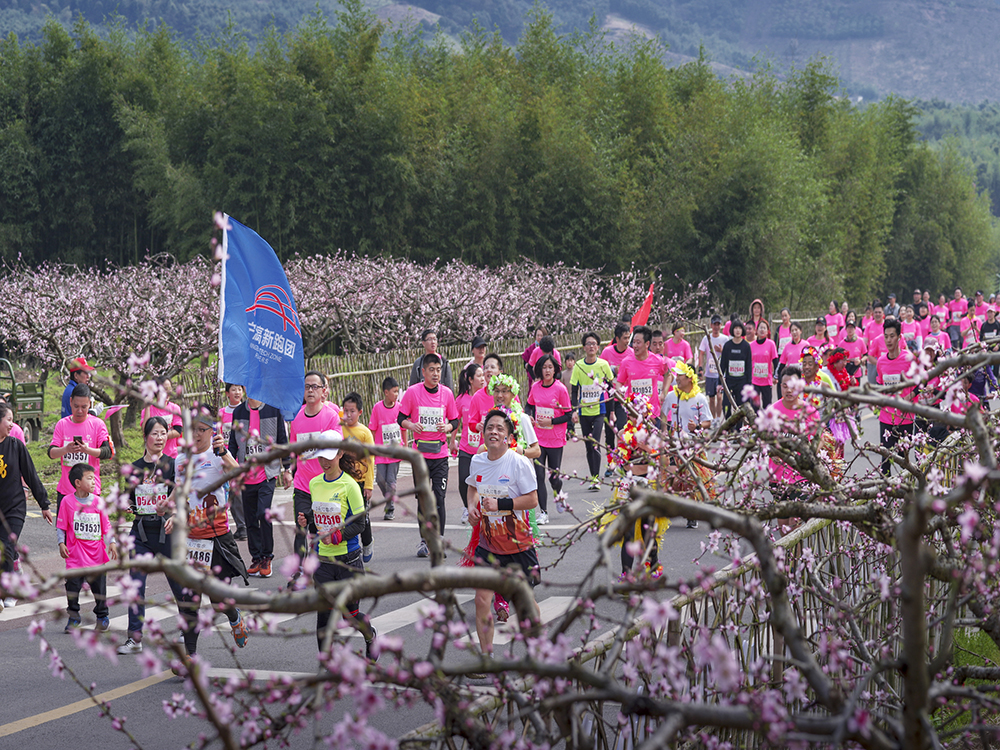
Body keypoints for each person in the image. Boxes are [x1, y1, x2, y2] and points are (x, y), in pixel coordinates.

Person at [170, 407, 249, 664]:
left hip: (216, 538)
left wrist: (224, 452)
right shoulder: (180, 460)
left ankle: (234, 616)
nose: (196, 435)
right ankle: (190, 656)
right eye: (191, 430)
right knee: (189, 599)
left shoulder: (217, 456)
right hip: (192, 540)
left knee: (217, 600)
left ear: (211, 431)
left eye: (201, 430)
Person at [464, 409, 541, 656]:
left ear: (508, 437)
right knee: (482, 600)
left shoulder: (518, 463)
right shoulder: (478, 461)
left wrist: (502, 505)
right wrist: (471, 507)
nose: (494, 432)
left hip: (518, 545)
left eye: (500, 428)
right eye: (490, 427)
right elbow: (472, 488)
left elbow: (532, 500)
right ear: (484, 433)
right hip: (488, 545)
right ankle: (487, 658)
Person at [300, 429, 378, 662]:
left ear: (341, 453)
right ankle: (325, 662)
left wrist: (335, 537)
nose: (325, 461)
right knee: (323, 615)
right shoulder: (315, 484)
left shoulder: (350, 485)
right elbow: (320, 524)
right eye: (321, 456)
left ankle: (370, 635)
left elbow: (361, 524)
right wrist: (308, 522)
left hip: (348, 561)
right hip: (324, 562)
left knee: (348, 615)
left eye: (330, 456)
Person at [118, 417, 185, 655]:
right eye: (155, 433)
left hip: (167, 531)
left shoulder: (174, 465)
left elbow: (182, 496)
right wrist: (126, 507)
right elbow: (127, 500)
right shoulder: (134, 468)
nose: (160, 438)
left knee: (179, 583)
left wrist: (173, 513)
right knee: (135, 583)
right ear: (145, 437)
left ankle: (187, 629)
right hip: (142, 532)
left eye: (163, 433)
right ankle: (134, 638)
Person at [398, 353, 460, 558]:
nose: (435, 374)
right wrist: (411, 425)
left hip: (440, 454)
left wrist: (448, 427)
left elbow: (455, 421)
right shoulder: (412, 393)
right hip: (420, 457)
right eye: (431, 369)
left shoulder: (447, 394)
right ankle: (424, 541)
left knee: (439, 498)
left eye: (438, 370)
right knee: (424, 500)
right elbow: (401, 418)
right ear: (422, 372)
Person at [228, 397, 290, 579]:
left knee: (263, 513)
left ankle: (267, 557)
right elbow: (233, 441)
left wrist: (287, 469)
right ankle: (256, 557)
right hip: (245, 474)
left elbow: (282, 440)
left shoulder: (273, 409)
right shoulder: (239, 412)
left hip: (267, 473)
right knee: (250, 518)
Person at [286, 371, 342, 572]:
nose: (310, 390)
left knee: (320, 530)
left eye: (314, 387)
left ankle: (324, 569)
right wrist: (288, 471)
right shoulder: (297, 416)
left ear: (323, 391)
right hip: (303, 485)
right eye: (307, 387)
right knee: (301, 527)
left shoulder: (331, 417)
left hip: (325, 485)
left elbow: (337, 448)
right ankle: (298, 572)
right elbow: (294, 449)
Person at [0, 402, 52, 613]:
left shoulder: (15, 445)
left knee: (6, 546)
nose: (12, 424)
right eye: (9, 420)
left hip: (14, 507)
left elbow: (31, 475)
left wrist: (44, 503)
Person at [58, 463, 116, 633]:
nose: (94, 481)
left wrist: (111, 542)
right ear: (77, 482)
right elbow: (61, 526)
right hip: (75, 556)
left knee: (99, 589)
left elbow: (106, 527)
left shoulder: (98, 502)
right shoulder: (67, 502)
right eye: (89, 478)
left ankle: (102, 616)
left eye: (94, 478)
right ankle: (74, 617)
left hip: (96, 557)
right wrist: (61, 543)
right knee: (72, 588)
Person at [661, 361, 713, 528]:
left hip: (694, 445)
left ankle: (692, 513)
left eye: (680, 377)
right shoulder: (671, 396)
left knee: (692, 478)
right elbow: (663, 414)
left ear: (690, 378)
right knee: (674, 478)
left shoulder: (700, 398)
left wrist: (697, 426)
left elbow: (708, 422)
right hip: (675, 445)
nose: (677, 379)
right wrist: (664, 431)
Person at [48, 384, 113, 515]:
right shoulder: (62, 424)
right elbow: (51, 452)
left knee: (89, 534)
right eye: (76, 406)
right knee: (65, 533)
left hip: (90, 492)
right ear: (70, 402)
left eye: (84, 407)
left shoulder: (97, 424)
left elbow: (108, 452)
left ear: (90, 404)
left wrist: (88, 450)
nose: (80, 411)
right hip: (66, 492)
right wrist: (66, 449)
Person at [526, 354, 571, 525]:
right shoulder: (535, 387)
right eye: (544, 367)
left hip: (555, 439)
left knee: (553, 477)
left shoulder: (560, 389)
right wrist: (529, 416)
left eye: (550, 367)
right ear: (539, 369)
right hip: (538, 439)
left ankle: (559, 494)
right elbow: (529, 404)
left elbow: (567, 415)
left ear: (555, 369)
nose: (547, 370)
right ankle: (543, 512)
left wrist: (551, 421)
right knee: (538, 476)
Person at [766, 365, 820, 506]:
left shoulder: (810, 411)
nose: (789, 390)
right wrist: (772, 453)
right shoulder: (772, 411)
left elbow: (819, 439)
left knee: (796, 524)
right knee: (783, 523)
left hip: (801, 476)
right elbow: (765, 439)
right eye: (785, 386)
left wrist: (810, 455)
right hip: (777, 477)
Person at [570, 332, 615, 488]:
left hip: (599, 410)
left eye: (594, 343)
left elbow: (610, 389)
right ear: (584, 347)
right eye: (588, 343)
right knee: (589, 445)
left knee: (595, 442)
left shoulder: (603, 365)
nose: (591, 346)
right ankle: (594, 476)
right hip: (584, 412)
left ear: (598, 347)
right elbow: (575, 390)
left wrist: (612, 411)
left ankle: (597, 479)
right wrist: (574, 410)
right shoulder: (578, 366)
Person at [876, 319, 916, 476]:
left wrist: (910, 396)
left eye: (892, 336)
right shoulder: (881, 361)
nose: (888, 340)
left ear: (899, 337)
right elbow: (879, 385)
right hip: (886, 418)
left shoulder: (909, 359)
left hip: (905, 418)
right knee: (885, 460)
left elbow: (921, 382)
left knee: (903, 460)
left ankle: (907, 493)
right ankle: (885, 496)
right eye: (886, 336)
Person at [341, 393, 376, 564]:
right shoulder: (338, 429)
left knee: (361, 517)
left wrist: (369, 485)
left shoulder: (364, 433)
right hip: (342, 482)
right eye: (345, 411)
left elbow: (370, 460)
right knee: (346, 516)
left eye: (352, 411)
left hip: (360, 482)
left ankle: (367, 542)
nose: (348, 415)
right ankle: (351, 549)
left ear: (360, 412)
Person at [616, 325, 673, 428]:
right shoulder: (626, 362)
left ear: (647, 344)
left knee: (654, 443)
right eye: (634, 342)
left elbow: (668, 375)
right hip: (633, 414)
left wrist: (664, 393)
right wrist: (622, 395)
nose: (635, 346)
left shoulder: (658, 361)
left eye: (638, 342)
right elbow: (619, 382)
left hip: (653, 415)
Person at [369, 376, 405, 522]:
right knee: (380, 479)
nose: (396, 395)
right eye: (394, 392)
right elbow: (372, 429)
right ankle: (388, 499)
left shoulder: (400, 407)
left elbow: (403, 427)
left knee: (391, 480)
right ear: (386, 392)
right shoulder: (377, 408)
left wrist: (406, 447)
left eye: (397, 392)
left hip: (395, 452)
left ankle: (390, 508)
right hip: (381, 452)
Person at [601, 322, 633, 477]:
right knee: (608, 433)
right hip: (608, 398)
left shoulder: (631, 353)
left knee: (622, 430)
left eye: (629, 337)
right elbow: (600, 373)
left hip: (623, 400)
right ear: (617, 338)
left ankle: (623, 462)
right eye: (625, 338)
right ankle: (610, 463)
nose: (628, 341)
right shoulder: (607, 353)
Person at [455, 365, 485, 524]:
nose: (482, 379)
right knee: (463, 480)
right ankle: (467, 508)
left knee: (480, 481)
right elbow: (455, 420)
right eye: (478, 376)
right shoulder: (461, 399)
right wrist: (452, 441)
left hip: (482, 448)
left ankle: (480, 508)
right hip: (466, 447)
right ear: (470, 380)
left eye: (483, 375)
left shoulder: (485, 397)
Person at [218, 382, 247, 540]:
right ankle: (239, 526)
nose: (237, 392)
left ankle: (246, 525)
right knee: (230, 493)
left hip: (243, 458)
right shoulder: (221, 414)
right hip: (225, 458)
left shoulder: (247, 411)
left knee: (241, 493)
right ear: (227, 393)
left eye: (239, 389)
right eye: (233, 389)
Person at [139, 377, 183, 458]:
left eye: (169, 389)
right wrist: (148, 407)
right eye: (164, 389)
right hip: (152, 456)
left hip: (171, 455)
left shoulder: (175, 408)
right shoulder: (147, 410)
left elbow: (178, 431)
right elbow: (145, 431)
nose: (168, 392)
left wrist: (160, 437)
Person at [698, 315, 730, 422]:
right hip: (710, 373)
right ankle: (712, 418)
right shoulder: (706, 338)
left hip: (721, 374)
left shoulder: (725, 339)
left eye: (718, 324)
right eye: (714, 324)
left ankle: (717, 418)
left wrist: (722, 351)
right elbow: (701, 353)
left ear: (721, 326)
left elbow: (729, 354)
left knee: (719, 397)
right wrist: (700, 368)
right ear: (711, 325)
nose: (716, 327)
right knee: (711, 398)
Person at [720, 321, 752, 418]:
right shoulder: (727, 346)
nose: (737, 330)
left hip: (742, 381)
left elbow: (749, 365)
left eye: (739, 328)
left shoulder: (746, 346)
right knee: (726, 404)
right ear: (732, 330)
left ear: (742, 330)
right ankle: (729, 425)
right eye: (735, 328)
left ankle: (739, 428)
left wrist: (749, 383)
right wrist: (719, 382)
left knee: (740, 405)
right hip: (729, 380)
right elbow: (722, 365)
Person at [748, 320, 779, 409]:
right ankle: (755, 422)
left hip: (766, 380)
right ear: (756, 330)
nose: (762, 330)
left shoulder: (771, 344)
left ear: (767, 331)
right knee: (754, 406)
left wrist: (775, 376)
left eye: (764, 328)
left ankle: (767, 423)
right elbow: (748, 363)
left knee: (767, 406)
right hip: (754, 381)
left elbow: (775, 361)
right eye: (760, 328)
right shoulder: (751, 345)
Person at [863, 301, 887, 384]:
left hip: (885, 361)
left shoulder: (886, 325)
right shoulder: (869, 326)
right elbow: (864, 343)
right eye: (876, 312)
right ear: (873, 313)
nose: (878, 314)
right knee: (872, 386)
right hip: (872, 362)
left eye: (879, 312)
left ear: (883, 313)